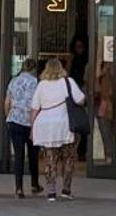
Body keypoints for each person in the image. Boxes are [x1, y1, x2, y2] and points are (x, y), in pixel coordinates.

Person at [31, 55, 84, 201]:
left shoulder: (41, 85)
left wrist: (32, 127)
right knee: (68, 158)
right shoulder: (68, 82)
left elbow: (35, 108)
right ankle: (66, 190)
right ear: (61, 69)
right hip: (65, 126)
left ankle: (51, 192)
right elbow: (80, 99)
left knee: (50, 159)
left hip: (46, 127)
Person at [3, 56, 42, 198]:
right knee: (33, 155)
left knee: (18, 155)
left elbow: (7, 103)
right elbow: (38, 105)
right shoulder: (36, 83)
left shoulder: (14, 81)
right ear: (34, 69)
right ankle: (34, 183)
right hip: (31, 123)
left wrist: (9, 117)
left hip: (15, 120)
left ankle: (19, 188)